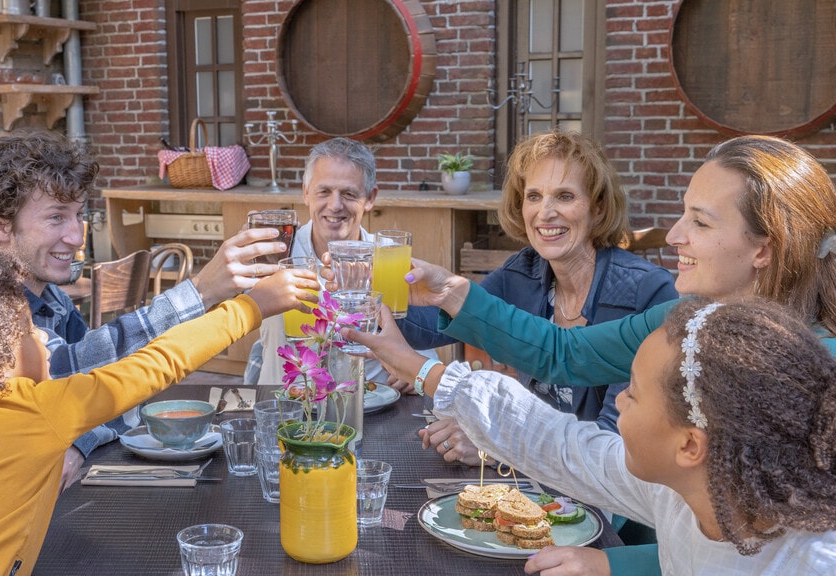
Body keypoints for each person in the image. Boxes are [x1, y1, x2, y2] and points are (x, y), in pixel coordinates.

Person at [383, 134, 836, 574]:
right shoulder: (686, 315)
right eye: (533, 196)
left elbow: (769, 549)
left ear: (763, 248)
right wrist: (439, 296)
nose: (675, 235)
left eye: (699, 221)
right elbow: (566, 355)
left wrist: (614, 560)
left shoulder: (807, 376)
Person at [0, 130, 291, 561]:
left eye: (78, 215)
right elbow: (101, 375)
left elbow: (103, 397)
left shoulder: (51, 299)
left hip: (18, 523)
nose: (76, 236)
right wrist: (204, 293)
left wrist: (77, 439)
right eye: (55, 218)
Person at [0, 249, 313, 574]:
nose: (44, 340)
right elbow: (157, 364)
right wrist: (252, 307)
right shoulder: (28, 412)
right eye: (29, 330)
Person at [352, 296, 836, 575]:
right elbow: (558, 445)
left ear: (690, 445)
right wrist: (424, 371)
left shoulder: (810, 563)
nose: (619, 400)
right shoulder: (684, 491)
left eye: (636, 394)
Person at [399, 131, 676, 466]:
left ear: (598, 209)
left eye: (564, 196)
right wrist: (383, 296)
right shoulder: (525, 271)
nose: (545, 212)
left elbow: (614, 444)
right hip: (537, 479)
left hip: (605, 500)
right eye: (533, 196)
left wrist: (496, 447)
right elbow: (433, 329)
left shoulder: (647, 293)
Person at [244, 137, 436, 387]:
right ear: (305, 193)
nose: (335, 205)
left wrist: (416, 375)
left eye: (348, 194)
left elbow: (423, 344)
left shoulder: (391, 258)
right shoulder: (277, 254)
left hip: (374, 405)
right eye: (324, 191)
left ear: (369, 198)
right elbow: (232, 313)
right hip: (289, 406)